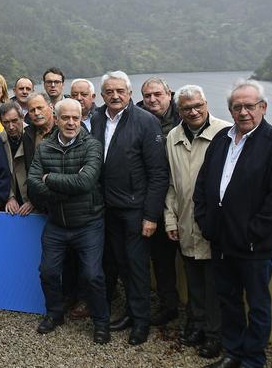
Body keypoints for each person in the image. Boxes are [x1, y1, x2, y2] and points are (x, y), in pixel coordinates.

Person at [194, 79, 272, 368]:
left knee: (258, 306)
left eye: (249, 106)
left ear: (263, 107)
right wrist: (206, 223)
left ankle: (253, 360)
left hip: (255, 247)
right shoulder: (222, 139)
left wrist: (253, 235)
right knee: (228, 302)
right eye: (236, 107)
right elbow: (203, 186)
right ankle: (233, 353)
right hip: (221, 241)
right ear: (230, 109)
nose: (243, 112)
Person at [90, 70, 168, 345]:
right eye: (109, 91)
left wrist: (150, 215)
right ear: (102, 95)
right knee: (120, 263)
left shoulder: (146, 121)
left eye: (120, 91)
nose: (114, 95)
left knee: (136, 266)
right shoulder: (97, 117)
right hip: (107, 206)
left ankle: (141, 322)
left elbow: (159, 173)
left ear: (130, 93)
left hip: (135, 208)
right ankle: (130, 313)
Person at [27, 98, 109, 344]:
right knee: (48, 272)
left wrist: (49, 178)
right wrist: (66, 187)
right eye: (65, 118)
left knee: (93, 275)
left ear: (81, 118)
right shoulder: (45, 147)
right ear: (56, 117)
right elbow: (33, 183)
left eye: (76, 117)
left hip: (88, 223)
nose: (71, 122)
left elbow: (86, 183)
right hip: (57, 224)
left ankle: (101, 322)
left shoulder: (92, 146)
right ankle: (55, 313)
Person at [165, 85, 230, 360]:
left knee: (215, 282)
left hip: (215, 223)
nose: (193, 111)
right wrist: (169, 219)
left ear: (206, 104)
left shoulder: (225, 133)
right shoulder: (173, 136)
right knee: (193, 278)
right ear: (179, 110)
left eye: (198, 106)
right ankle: (196, 325)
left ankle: (215, 335)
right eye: (187, 108)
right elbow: (171, 183)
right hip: (184, 221)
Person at [139, 76, 182, 327]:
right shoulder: (138, 116)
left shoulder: (184, 115)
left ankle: (199, 318)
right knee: (160, 257)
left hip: (180, 197)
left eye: (158, 94)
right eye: (147, 96)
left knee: (188, 259)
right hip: (151, 197)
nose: (152, 99)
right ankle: (168, 306)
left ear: (169, 94)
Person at [0, 101, 32, 216]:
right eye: (6, 122)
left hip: (32, 200)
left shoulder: (32, 135)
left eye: (14, 121)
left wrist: (34, 201)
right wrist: (9, 197)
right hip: (10, 200)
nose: (11, 126)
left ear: (22, 117)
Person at [23, 93, 57, 167]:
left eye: (40, 108)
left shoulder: (64, 129)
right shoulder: (28, 135)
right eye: (32, 110)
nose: (36, 113)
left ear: (51, 107)